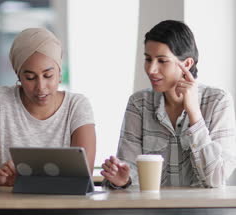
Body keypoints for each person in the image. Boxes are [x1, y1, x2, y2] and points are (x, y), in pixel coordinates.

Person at [101, 20, 236, 189]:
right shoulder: (139, 103)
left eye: (162, 61)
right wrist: (125, 179)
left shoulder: (218, 102)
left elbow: (216, 179)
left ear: (186, 64)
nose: (151, 69)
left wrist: (194, 114)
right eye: (148, 59)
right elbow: (130, 169)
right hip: (153, 210)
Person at [0, 28, 96, 187]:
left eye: (48, 75)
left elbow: (83, 178)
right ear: (18, 76)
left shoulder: (77, 106)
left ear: (59, 71)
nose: (41, 87)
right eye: (30, 78)